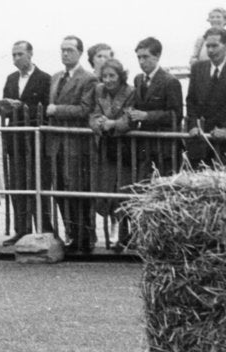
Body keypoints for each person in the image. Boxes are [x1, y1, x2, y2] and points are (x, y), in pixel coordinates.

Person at [45, 35, 98, 253]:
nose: (65, 53)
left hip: (76, 144)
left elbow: (85, 109)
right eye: (62, 50)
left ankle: (84, 238)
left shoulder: (88, 79)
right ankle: (71, 234)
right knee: (59, 191)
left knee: (77, 190)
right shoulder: (56, 77)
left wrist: (58, 110)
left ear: (80, 53)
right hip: (57, 144)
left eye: (70, 50)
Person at [0, 40, 52, 244]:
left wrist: (22, 106)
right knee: (17, 184)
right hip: (16, 139)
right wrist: (5, 107)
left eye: (19, 54)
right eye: (13, 55)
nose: (16, 59)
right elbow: (5, 103)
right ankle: (21, 229)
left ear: (30, 54)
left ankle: (45, 229)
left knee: (38, 184)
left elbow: (46, 107)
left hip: (35, 140)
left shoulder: (44, 78)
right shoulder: (11, 79)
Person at [88, 58, 135, 250]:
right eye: (105, 76)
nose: (108, 80)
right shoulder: (99, 90)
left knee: (124, 190)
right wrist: (98, 124)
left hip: (125, 147)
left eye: (112, 75)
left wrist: (113, 124)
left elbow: (129, 118)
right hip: (106, 146)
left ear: (120, 76)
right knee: (107, 189)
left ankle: (124, 234)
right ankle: (114, 233)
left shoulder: (130, 91)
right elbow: (93, 113)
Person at [126, 36, 183, 178]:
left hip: (164, 146)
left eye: (145, 57)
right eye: (138, 57)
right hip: (145, 145)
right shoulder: (138, 79)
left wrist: (147, 116)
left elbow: (176, 114)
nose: (141, 62)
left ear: (157, 56)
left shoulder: (170, 81)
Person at [185, 27, 226, 167]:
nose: (210, 50)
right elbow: (191, 101)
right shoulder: (198, 68)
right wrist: (192, 125)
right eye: (207, 46)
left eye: (215, 46)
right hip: (201, 142)